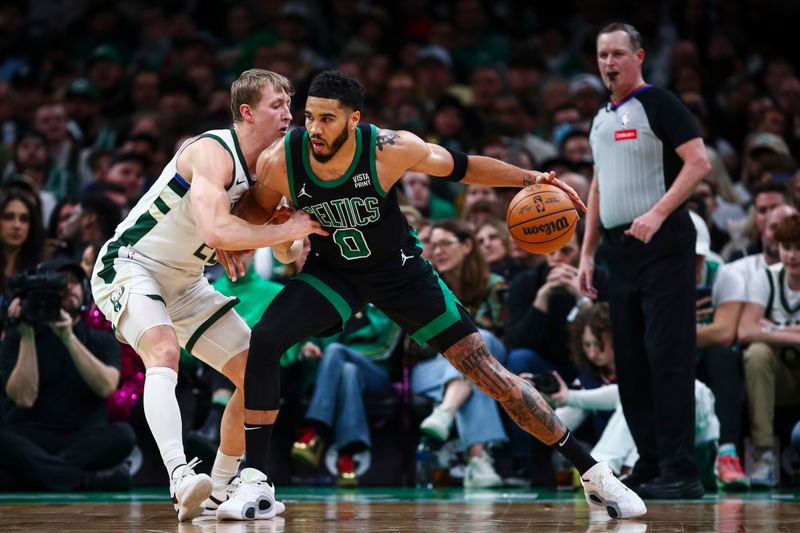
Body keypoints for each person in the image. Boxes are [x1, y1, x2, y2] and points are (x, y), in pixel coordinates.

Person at [222, 70, 645, 519]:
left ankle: (595, 474)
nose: (314, 129)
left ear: (354, 120)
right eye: (309, 117)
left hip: (401, 274)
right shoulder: (282, 159)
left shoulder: (389, 148)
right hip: (334, 273)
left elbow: (463, 167)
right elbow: (254, 208)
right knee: (264, 339)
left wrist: (529, 178)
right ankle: (257, 482)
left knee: (489, 374)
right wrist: (236, 238)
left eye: (327, 119)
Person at [90, 69, 324, 522]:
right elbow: (218, 228)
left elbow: (281, 244)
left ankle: (217, 487)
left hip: (187, 281)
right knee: (163, 350)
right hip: (132, 264)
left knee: (257, 370)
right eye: (277, 105)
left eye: (289, 105)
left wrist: (289, 238)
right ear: (246, 111)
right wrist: (258, 232)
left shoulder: (272, 166)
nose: (288, 114)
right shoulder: (212, 151)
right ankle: (180, 476)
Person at [577, 23, 712, 499]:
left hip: (665, 243)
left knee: (667, 357)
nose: (609, 63)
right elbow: (599, 186)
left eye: (617, 53)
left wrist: (657, 212)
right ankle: (653, 466)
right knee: (630, 362)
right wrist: (587, 252)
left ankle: (682, 470)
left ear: (638, 56)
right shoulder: (599, 118)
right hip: (619, 250)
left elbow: (699, 162)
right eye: (601, 55)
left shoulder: (661, 104)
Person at [0, 257, 136, 491]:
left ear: (84, 291)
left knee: (123, 435)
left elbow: (106, 387)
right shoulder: (19, 335)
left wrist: (68, 337)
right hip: (30, 436)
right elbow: (23, 397)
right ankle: (83, 480)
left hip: (81, 438)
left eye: (73, 281)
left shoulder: (101, 339)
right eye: (60, 282)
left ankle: (33, 476)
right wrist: (27, 335)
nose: (67, 287)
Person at [738, 212, 800, 488]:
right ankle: (763, 454)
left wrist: (770, 328)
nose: (792, 256)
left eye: (799, 249)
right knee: (757, 352)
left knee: (764, 342)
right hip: (782, 380)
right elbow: (745, 331)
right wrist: (793, 334)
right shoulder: (766, 277)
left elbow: (757, 326)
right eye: (787, 248)